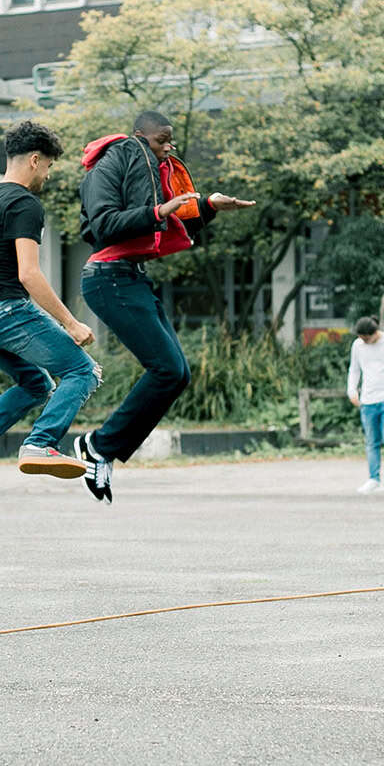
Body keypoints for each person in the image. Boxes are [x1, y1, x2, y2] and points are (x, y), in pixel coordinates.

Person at [71, 111, 254, 502]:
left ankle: (102, 448)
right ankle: (97, 446)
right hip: (108, 278)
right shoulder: (111, 165)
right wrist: (157, 213)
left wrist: (209, 206)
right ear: (140, 136)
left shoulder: (144, 168)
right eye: (162, 140)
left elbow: (172, 219)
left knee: (179, 373)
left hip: (130, 278)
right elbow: (103, 225)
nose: (169, 147)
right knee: (167, 369)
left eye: (170, 141)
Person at [0, 120, 100, 489]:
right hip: (6, 311)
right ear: (35, 160)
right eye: (49, 167)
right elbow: (29, 274)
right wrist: (71, 324)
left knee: (35, 384)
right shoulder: (25, 203)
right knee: (82, 371)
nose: (47, 175)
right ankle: (40, 444)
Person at [347, 316, 384, 494]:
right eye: (361, 338)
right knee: (371, 441)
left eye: (367, 338)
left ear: (375, 333)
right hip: (368, 399)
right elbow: (354, 368)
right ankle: (374, 478)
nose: (364, 341)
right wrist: (352, 390)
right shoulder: (357, 345)